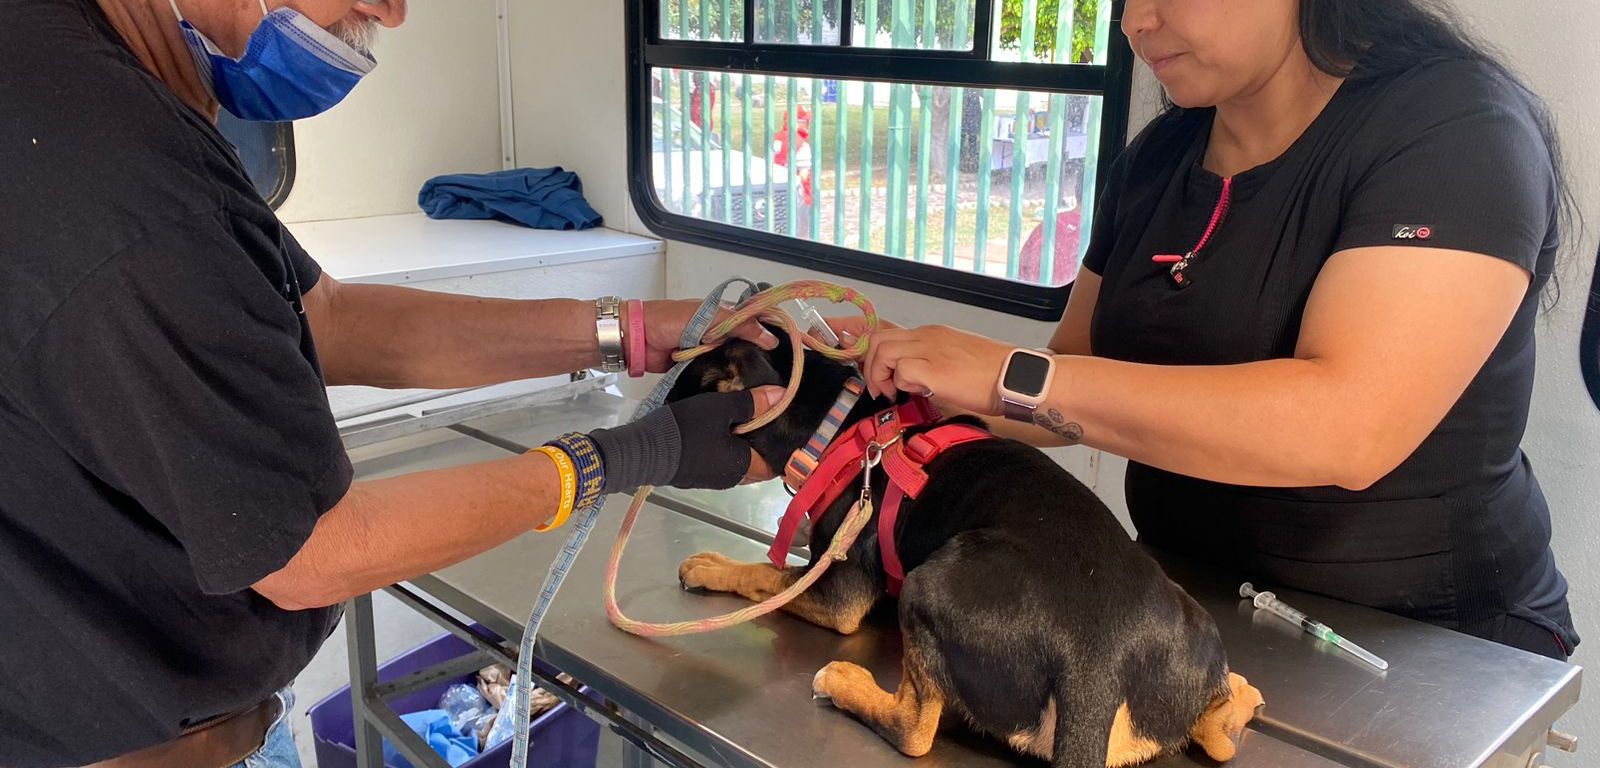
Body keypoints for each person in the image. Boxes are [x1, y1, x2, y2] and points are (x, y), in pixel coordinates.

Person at [0, 1, 783, 766]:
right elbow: (312, 552)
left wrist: (635, 330)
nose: (393, 12)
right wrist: (629, 455)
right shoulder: (117, 173)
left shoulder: (86, 74)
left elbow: (329, 318)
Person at [851, 0, 1581, 662]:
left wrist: (1010, 375)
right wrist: (908, 374)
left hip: (1428, 643)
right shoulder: (1159, 157)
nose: (1135, 22)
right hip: (1184, 608)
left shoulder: (1455, 128)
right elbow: (1070, 372)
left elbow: (1347, 429)